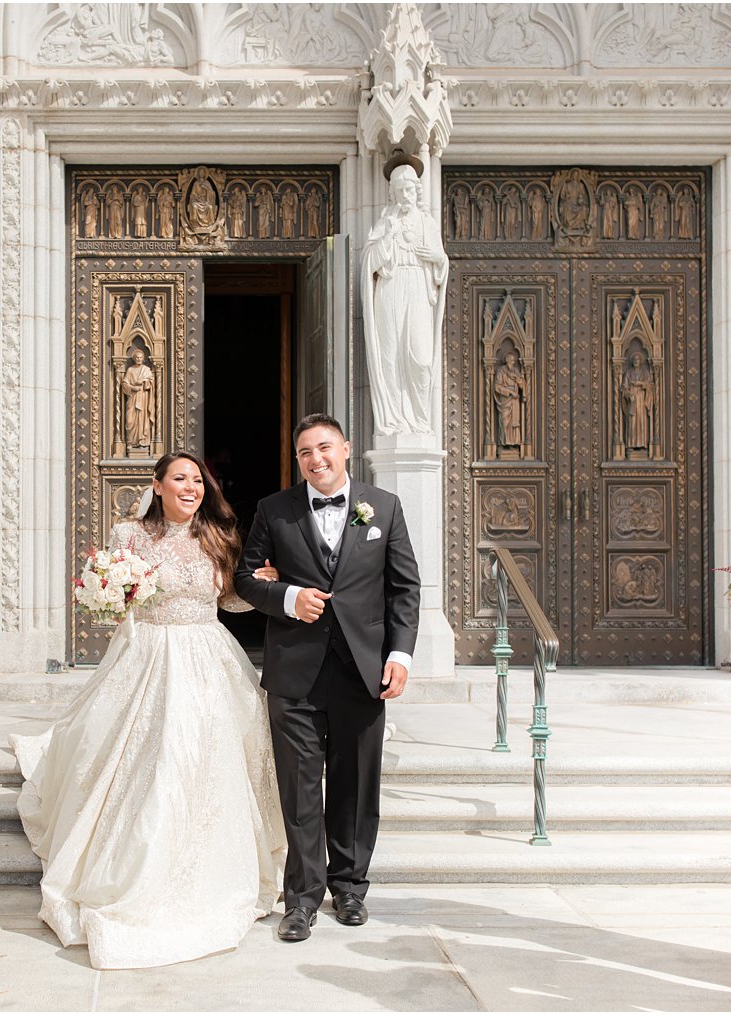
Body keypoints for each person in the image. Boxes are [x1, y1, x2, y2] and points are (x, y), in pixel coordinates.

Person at [12, 452, 286, 969]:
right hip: (148, 654)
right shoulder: (128, 535)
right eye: (180, 480)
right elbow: (117, 600)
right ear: (157, 485)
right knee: (149, 754)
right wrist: (108, 590)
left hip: (207, 654)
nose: (192, 488)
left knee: (200, 756)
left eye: (198, 481)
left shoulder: (218, 536)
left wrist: (263, 586)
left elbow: (228, 601)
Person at [234, 413, 421, 942]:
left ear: (346, 448)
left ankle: (350, 889)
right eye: (304, 453)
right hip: (294, 673)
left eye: (324, 448)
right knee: (299, 791)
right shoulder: (275, 510)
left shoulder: (383, 506)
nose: (315, 459)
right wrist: (289, 598)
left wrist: (400, 656)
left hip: (363, 671)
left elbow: (404, 588)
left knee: (356, 787)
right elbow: (245, 580)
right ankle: (301, 900)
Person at [360, 162, 448, 436]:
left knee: (420, 359)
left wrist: (436, 259)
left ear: (417, 191)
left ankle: (420, 423)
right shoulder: (385, 222)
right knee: (391, 355)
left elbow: (441, 263)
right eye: (399, 191)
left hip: (419, 291)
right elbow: (369, 263)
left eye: (409, 189)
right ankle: (396, 422)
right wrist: (386, 237)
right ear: (393, 194)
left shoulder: (428, 224)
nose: (405, 195)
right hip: (391, 289)